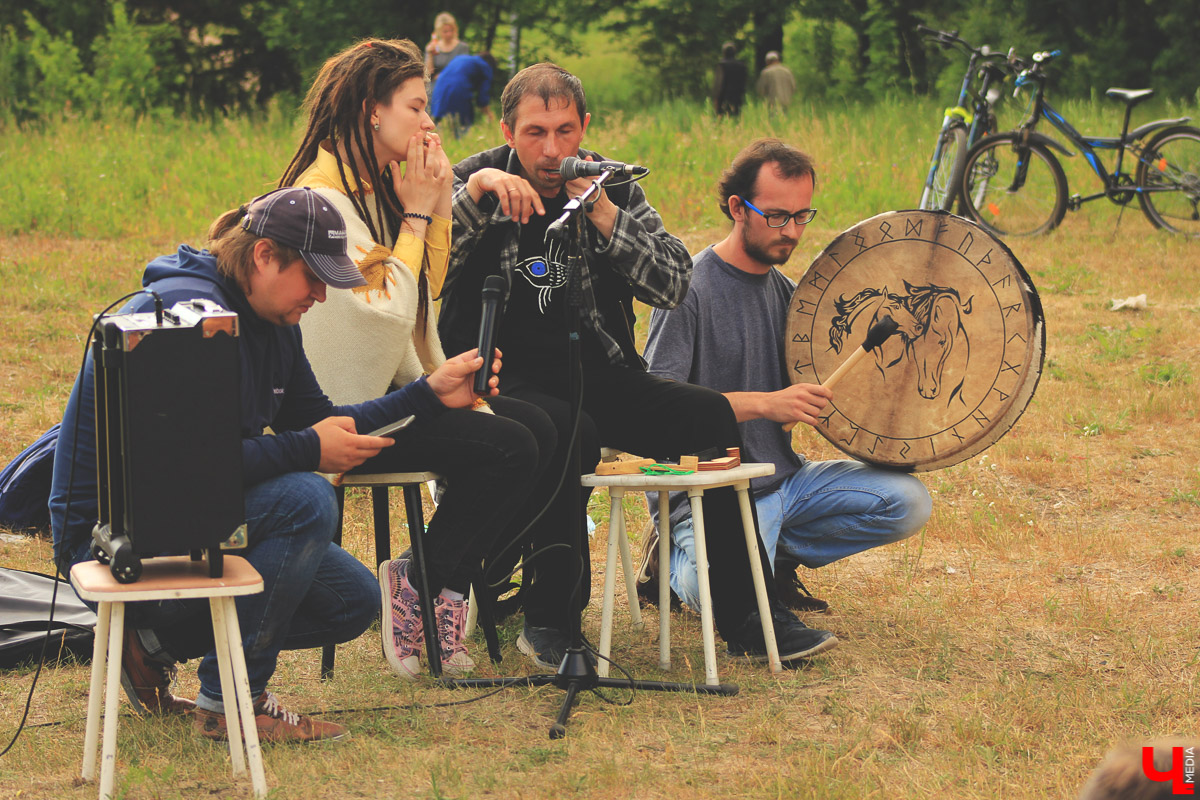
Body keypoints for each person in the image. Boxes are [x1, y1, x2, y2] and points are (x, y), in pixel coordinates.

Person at [49, 187, 521, 743]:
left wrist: (429, 394)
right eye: (313, 277)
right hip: (111, 536)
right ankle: (231, 702)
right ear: (264, 255)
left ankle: (149, 644)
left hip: (185, 514)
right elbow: (186, 468)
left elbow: (323, 421)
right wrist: (308, 450)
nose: (321, 295)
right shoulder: (185, 318)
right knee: (305, 499)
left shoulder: (273, 321)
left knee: (351, 601)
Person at [438, 63, 837, 670]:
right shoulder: (471, 181)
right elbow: (425, 268)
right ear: (507, 131)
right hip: (501, 380)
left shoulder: (614, 186)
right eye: (535, 133)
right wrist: (477, 193)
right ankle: (550, 622)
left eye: (565, 131)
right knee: (571, 431)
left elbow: (675, 282)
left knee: (708, 415)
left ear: (584, 126)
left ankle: (750, 617)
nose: (552, 150)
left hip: (601, 373)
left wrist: (603, 214)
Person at [279, 38, 557, 680]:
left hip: (390, 389)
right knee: (509, 445)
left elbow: (423, 289)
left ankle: (434, 581)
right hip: (341, 412)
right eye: (416, 106)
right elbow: (378, 314)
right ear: (372, 112)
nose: (429, 122)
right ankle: (422, 585)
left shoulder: (374, 187)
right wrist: (415, 212)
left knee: (539, 428)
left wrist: (432, 204)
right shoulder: (323, 198)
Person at [642, 138, 932, 616]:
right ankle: (667, 557)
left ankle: (770, 558)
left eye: (802, 216)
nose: (793, 231)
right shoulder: (688, 289)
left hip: (784, 483)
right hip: (706, 493)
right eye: (777, 216)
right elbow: (656, 406)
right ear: (738, 207)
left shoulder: (794, 299)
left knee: (907, 502)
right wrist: (764, 403)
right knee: (712, 595)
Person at [431, 52, 497, 132]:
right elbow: (483, 98)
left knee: (439, 121)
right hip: (458, 90)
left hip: (439, 89)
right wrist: (489, 115)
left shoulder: (460, 58)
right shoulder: (486, 67)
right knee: (463, 124)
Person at [425, 12, 470, 88]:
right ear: (438, 32)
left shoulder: (463, 47)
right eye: (445, 31)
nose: (449, 34)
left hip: (455, 86)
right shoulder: (434, 47)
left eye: (451, 30)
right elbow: (428, 74)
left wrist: (443, 75)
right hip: (436, 87)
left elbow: (464, 71)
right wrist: (429, 54)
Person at [712, 42, 748, 118]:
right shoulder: (742, 66)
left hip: (723, 97)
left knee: (722, 118)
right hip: (738, 97)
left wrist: (715, 98)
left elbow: (718, 84)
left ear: (724, 52)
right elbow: (744, 82)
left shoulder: (721, 65)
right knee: (736, 118)